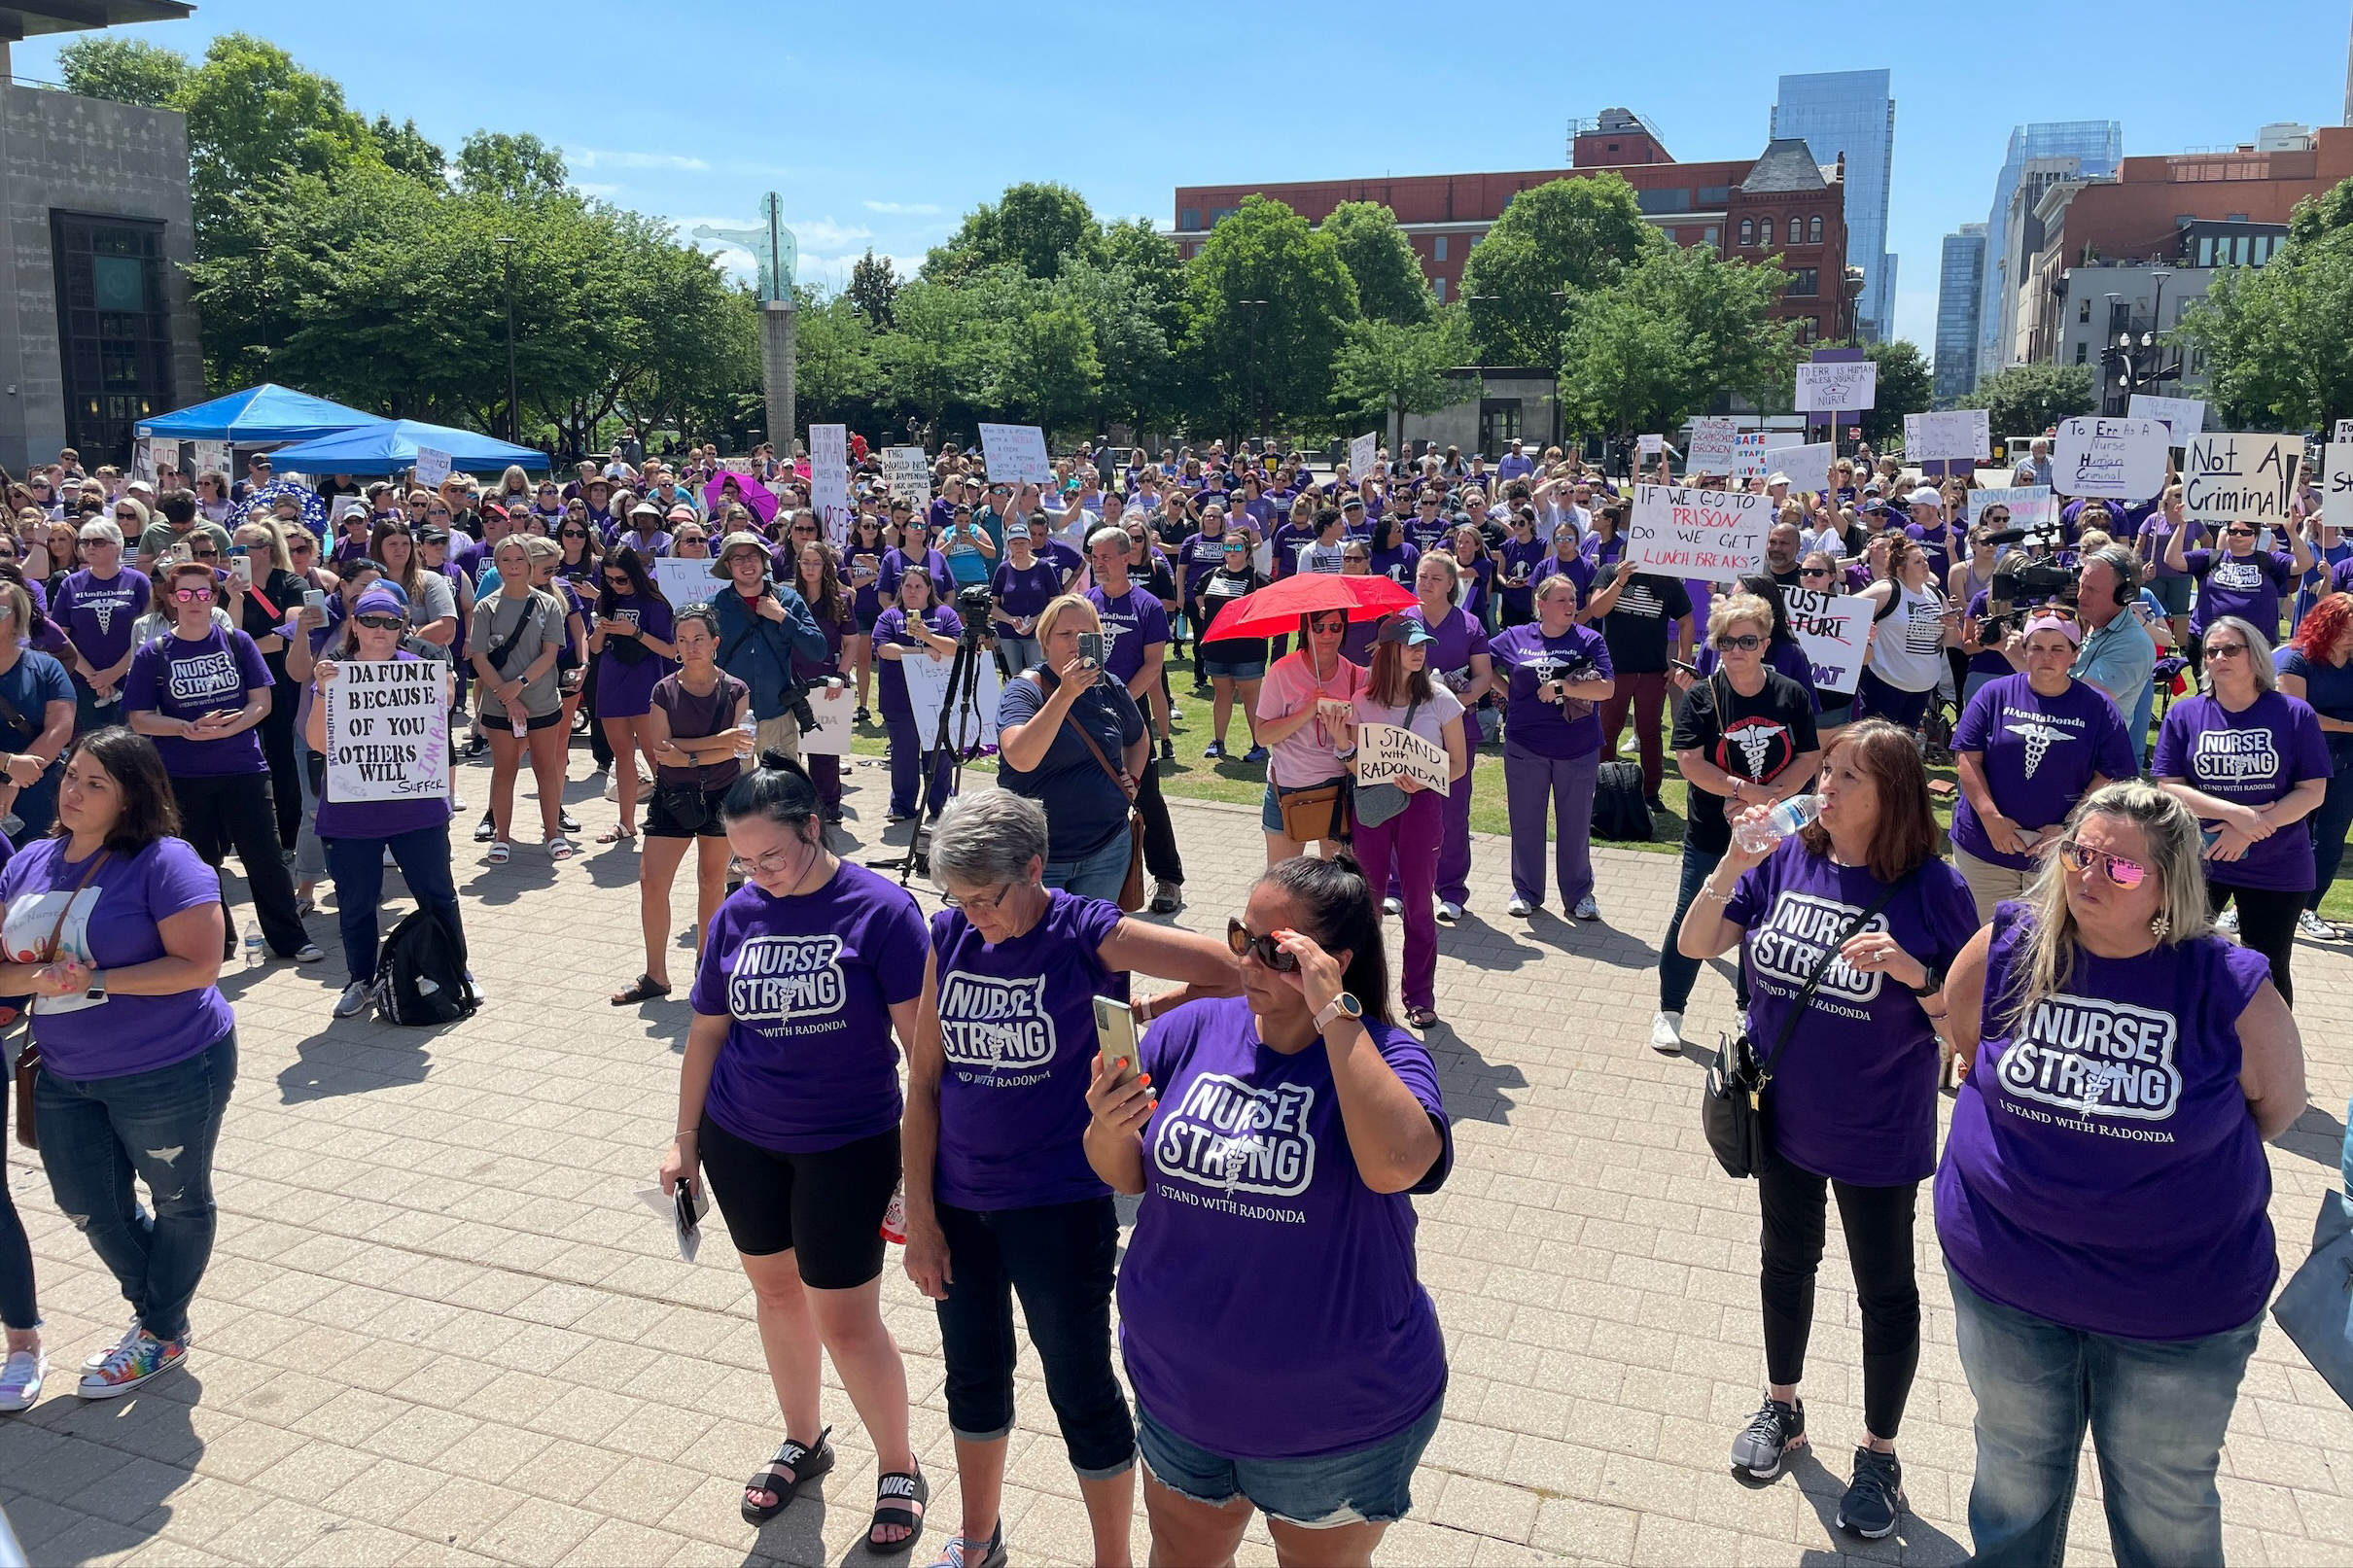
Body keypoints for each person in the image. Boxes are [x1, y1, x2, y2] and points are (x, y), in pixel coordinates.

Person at [1935, 782, 2305, 1567]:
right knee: (2013, 1486)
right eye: (2080, 853)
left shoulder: (2227, 982)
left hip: (2175, 1310)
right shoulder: (2011, 941)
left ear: (2170, 886)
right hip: (2008, 1286)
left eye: (2121, 868)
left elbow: (2277, 1107)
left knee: (2163, 1510)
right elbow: (1964, 1033)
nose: (2089, 875)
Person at [1082, 854, 1451, 1568]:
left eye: (1273, 949)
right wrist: (1105, 1125)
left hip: (1334, 1422)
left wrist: (1333, 1011)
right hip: (1179, 1396)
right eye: (1239, 936)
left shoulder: (1385, 1053)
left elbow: (1397, 1163)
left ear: (1332, 962)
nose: (1246, 960)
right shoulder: (1191, 1031)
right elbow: (1125, 1173)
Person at [901, 792, 1238, 1568]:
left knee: (1081, 1388)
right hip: (959, 1205)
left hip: (1058, 1206)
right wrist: (919, 1214)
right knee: (973, 1378)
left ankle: (1111, 1558)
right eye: (961, 897)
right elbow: (923, 1083)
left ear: (1033, 868)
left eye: (988, 897)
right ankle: (979, 1536)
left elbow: (1229, 970)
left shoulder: (1084, 929)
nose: (975, 913)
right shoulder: (949, 932)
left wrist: (1152, 1004)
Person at [1676, 720, 1980, 1541]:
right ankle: (1784, 1407)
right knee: (1785, 1260)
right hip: (1782, 1117)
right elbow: (1695, 942)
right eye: (1830, 772)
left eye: (1848, 777)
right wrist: (1734, 863)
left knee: (1885, 1294)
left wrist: (1915, 973)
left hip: (1879, 1132)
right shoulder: (1787, 857)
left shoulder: (1933, 889)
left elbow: (1970, 1033)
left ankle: (1880, 1452)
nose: (1826, 788)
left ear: (1892, 799)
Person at [656, 752, 929, 1550]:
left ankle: (900, 1464)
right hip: (743, 1140)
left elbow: (923, 1055)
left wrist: (921, 1167)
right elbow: (706, 1034)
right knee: (776, 1295)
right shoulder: (737, 912)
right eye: (742, 858)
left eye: (771, 854)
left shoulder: (883, 910)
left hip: (848, 1143)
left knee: (846, 1320)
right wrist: (686, 1139)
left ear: (813, 827)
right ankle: (803, 1439)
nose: (757, 872)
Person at [0, 728, 237, 1397]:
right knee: (85, 1202)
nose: (73, 790)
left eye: (95, 782)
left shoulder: (168, 862)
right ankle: (162, 1311)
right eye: (72, 774)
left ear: (131, 795)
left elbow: (199, 966)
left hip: (170, 1064)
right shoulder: (28, 862)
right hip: (64, 1068)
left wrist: (93, 979)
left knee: (179, 1199)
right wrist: (40, 980)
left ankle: (158, 1330)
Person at [123, 559, 320, 964]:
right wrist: (184, 727)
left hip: (242, 766)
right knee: (200, 865)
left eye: (202, 593)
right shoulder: (153, 652)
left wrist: (230, 729)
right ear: (170, 599)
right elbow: (139, 718)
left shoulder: (237, 641)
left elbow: (261, 702)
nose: (194, 601)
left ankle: (290, 939)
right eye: (184, 593)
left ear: (214, 598)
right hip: (181, 774)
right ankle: (218, 942)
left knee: (264, 857)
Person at [1652, 591, 1821, 1052]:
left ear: (1766, 643)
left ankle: (1750, 1006)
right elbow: (1689, 761)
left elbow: (1809, 756)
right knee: (1692, 910)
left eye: (1748, 641)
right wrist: (1742, 792)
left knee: (1764, 919)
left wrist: (1770, 799)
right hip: (1712, 831)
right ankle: (1670, 1008)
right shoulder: (1703, 696)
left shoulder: (1791, 693)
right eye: (1726, 643)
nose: (1737, 651)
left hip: (1778, 830)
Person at [304, 587, 466, 1018]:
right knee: (356, 903)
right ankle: (361, 980)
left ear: (403, 627)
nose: (380, 630)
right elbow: (318, 742)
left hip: (416, 808)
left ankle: (456, 973)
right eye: (370, 620)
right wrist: (322, 694)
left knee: (438, 895)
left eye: (391, 622)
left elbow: (438, 729)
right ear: (354, 625)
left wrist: (445, 692)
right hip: (351, 812)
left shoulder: (422, 670)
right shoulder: (333, 673)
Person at [2155, 615, 2330, 1003]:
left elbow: (2312, 791)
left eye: (2231, 648)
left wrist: (2251, 827)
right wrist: (2236, 814)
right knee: (2179, 956)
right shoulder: (2185, 714)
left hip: (2278, 864)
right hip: (2199, 859)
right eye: (2211, 651)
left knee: (2267, 968)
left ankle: (2271, 1057)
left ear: (2257, 655)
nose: (2219, 657)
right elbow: (2169, 786)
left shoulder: (2293, 714)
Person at [1948, 612, 2139, 920]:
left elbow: (2111, 775)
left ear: (2075, 654)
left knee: (2048, 944)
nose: (2045, 657)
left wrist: (2068, 829)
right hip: (1985, 850)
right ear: (2024, 650)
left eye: (2057, 649)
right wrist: (1990, 817)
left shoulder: (2097, 706)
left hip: (2059, 856)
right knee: (1984, 940)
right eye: (2036, 647)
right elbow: (1967, 758)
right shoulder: (1993, 695)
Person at [614, 605, 749, 1007]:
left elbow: (737, 751)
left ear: (715, 644)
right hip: (672, 796)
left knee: (712, 883)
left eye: (699, 640)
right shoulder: (663, 690)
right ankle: (656, 974)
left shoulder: (737, 689)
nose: (691, 647)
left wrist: (688, 752)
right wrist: (715, 743)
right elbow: (661, 752)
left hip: (723, 795)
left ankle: (707, 969)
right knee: (651, 882)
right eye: (683, 640)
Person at [1349, 619, 1467, 1030]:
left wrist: (1425, 779)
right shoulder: (1362, 700)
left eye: (1423, 645)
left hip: (1422, 808)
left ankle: (1419, 996)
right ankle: (1364, 997)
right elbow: (1355, 761)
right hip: (1374, 808)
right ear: (1388, 650)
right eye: (1410, 645)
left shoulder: (1441, 699)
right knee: (1367, 907)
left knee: (1418, 905)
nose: (1419, 652)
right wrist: (1344, 744)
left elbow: (1459, 764)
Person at [995, 596, 1149, 903]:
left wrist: (1131, 781)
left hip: (1107, 849)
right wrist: (1064, 694)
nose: (1076, 642)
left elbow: (1139, 737)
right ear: (1046, 641)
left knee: (1093, 944)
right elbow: (1019, 756)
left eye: (1085, 634)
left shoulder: (1110, 687)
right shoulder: (1026, 689)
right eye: (1065, 634)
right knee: (1040, 947)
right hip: (1040, 858)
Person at [1490, 575, 1616, 920]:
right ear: (1540, 605)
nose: (1570, 606)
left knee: (1574, 826)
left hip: (1577, 746)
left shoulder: (1589, 640)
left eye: (1573, 599)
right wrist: (1509, 692)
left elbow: (1606, 689)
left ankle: (1579, 896)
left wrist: (1563, 688)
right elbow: (1480, 664)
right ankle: (1526, 891)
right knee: (1526, 821)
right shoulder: (1515, 636)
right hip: (1525, 744)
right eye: (1561, 600)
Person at [1084, 528, 1184, 909]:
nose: (1098, 564)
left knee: (1145, 795)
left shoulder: (1147, 606)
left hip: (1130, 712)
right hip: (1090, 713)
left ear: (1127, 557)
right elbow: (1086, 661)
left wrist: (1120, 701)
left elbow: (1153, 665)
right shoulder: (1086, 605)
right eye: (1094, 557)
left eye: (1106, 557)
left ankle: (1168, 878)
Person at [469, 537, 576, 863]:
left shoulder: (549, 604)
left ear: (530, 565)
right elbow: (479, 657)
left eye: (519, 560)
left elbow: (550, 653)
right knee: (505, 770)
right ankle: (501, 837)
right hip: (499, 702)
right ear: (497, 565)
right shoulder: (485, 606)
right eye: (506, 560)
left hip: (542, 700)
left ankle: (553, 833)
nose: (513, 566)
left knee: (546, 769)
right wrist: (507, 694)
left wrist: (521, 684)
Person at [1400, 552, 1494, 922]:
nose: (1425, 583)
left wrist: (1450, 703)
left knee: (1452, 812)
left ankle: (1451, 890)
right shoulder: (1403, 621)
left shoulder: (1470, 625)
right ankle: (1397, 886)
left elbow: (1484, 677)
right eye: (1422, 576)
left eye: (1434, 578)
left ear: (1451, 583)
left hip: (1456, 730)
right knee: (1401, 805)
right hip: (1406, 730)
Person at [709, 530, 828, 766]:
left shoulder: (789, 600)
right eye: (738, 558)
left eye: (752, 556)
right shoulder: (714, 607)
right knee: (734, 798)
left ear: (763, 561)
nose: (746, 564)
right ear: (728, 566)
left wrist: (783, 618)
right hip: (730, 719)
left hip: (778, 715)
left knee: (780, 797)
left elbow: (818, 650)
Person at [585, 543, 677, 844]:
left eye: (621, 579)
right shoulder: (605, 600)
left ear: (635, 574)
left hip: (645, 681)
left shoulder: (655, 604)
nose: (615, 585)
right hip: (611, 681)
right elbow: (595, 648)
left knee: (655, 753)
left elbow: (670, 649)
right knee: (621, 754)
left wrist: (634, 632)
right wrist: (601, 627)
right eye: (609, 579)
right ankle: (626, 823)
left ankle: (671, 814)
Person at [1256, 608, 1361, 863]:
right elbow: (1262, 735)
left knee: (1339, 886)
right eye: (1318, 627)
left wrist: (1340, 734)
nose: (1327, 634)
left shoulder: (1356, 676)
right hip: (1288, 790)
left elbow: (1360, 743)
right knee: (1283, 885)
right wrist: (1306, 711)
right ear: (1305, 629)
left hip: (1337, 790)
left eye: (1335, 626)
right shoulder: (1282, 672)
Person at [2280, 593, 2353, 940]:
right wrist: (2348, 725)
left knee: (2331, 837)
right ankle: (2252, 903)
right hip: (2305, 757)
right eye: (2346, 629)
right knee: (2289, 829)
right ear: (2327, 627)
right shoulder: (2299, 660)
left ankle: (2309, 908)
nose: (2352, 636)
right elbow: (2298, 714)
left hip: (2349, 760)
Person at [1593, 561, 1693, 813]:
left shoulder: (1666, 578)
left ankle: (1650, 793)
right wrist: (1620, 580)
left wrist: (1682, 662)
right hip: (1615, 669)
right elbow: (1597, 609)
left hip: (1653, 670)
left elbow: (1686, 620)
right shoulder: (1610, 571)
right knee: (1607, 729)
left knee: (1650, 733)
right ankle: (1603, 787)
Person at [872, 566, 963, 825]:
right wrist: (920, 652)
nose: (912, 592)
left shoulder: (944, 615)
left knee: (939, 756)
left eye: (918, 587)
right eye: (908, 586)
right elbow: (884, 650)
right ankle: (902, 805)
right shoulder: (890, 616)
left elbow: (956, 648)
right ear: (901, 589)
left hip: (937, 700)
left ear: (928, 590)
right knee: (904, 756)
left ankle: (941, 805)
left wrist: (927, 635)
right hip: (899, 699)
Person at [2167, 503, 2314, 651]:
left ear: (2255, 535)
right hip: (2210, 641)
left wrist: (2292, 533)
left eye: (2245, 532)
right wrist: (2182, 526)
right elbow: (2173, 560)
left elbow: (2305, 564)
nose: (2238, 535)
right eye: (2233, 531)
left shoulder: (2270, 561)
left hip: (2256, 643)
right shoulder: (2209, 558)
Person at [51, 520, 151, 736]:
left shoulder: (138, 582)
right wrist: (94, 677)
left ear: (117, 546)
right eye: (85, 542)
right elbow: (60, 637)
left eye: (98, 542)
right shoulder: (71, 584)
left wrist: (114, 673)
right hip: (84, 682)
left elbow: (147, 634)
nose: (90, 547)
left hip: (131, 679)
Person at [0, 579, 76, 842]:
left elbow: (59, 731)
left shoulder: (46, 669)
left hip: (37, 790)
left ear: (18, 619)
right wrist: (8, 764)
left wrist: (13, 784)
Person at [2069, 545, 2159, 764]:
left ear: (2124, 595)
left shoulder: (2134, 645)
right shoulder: (2085, 624)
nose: (2081, 595)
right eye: (2081, 585)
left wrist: (2020, 654)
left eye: (2092, 590)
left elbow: (2080, 704)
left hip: (2091, 761)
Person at [1854, 537, 1952, 732]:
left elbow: (1951, 641)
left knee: (1903, 749)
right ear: (1901, 569)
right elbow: (1848, 609)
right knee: (1877, 747)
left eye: (1925, 559)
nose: (1925, 564)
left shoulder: (1935, 593)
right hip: (1885, 685)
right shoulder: (1888, 589)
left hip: (1921, 689)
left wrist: (1952, 626)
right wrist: (1863, 631)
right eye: (1918, 561)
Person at [790, 540, 854, 824]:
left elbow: (851, 643)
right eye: (806, 562)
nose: (811, 568)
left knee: (824, 753)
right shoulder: (786, 596)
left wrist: (841, 675)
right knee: (790, 751)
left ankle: (827, 808)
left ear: (827, 566)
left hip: (828, 681)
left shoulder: (841, 599)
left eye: (817, 563)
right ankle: (793, 808)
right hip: (792, 681)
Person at [1193, 536, 1269, 763]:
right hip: (1217, 647)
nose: (1232, 551)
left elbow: (1269, 606)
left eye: (1237, 547)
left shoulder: (1258, 579)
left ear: (1247, 551)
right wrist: (1202, 607)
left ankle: (1260, 744)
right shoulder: (1212, 574)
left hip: (1248, 648)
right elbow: (1198, 592)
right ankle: (1218, 741)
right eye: (1228, 547)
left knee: (1250, 697)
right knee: (1222, 694)